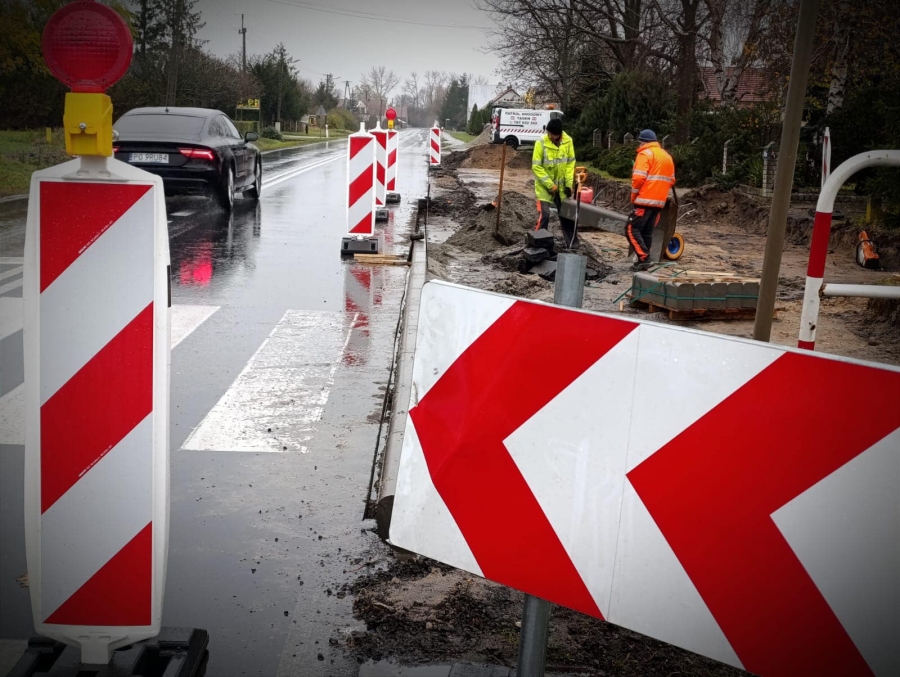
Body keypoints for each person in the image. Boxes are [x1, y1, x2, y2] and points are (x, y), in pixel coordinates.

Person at [627, 129, 676, 270]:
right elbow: (671, 180)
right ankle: (644, 260)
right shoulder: (666, 156)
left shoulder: (644, 154)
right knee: (647, 231)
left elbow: (638, 179)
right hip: (659, 202)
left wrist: (634, 196)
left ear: (642, 141)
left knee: (632, 228)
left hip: (644, 200)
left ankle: (644, 258)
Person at [532, 118, 577, 247]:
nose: (550, 136)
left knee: (567, 216)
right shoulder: (540, 143)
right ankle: (538, 245)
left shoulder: (568, 141)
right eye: (548, 133)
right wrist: (550, 185)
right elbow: (536, 167)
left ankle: (573, 245)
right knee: (544, 215)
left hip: (562, 188)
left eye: (552, 134)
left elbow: (570, 164)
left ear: (559, 134)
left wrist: (569, 184)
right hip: (544, 188)